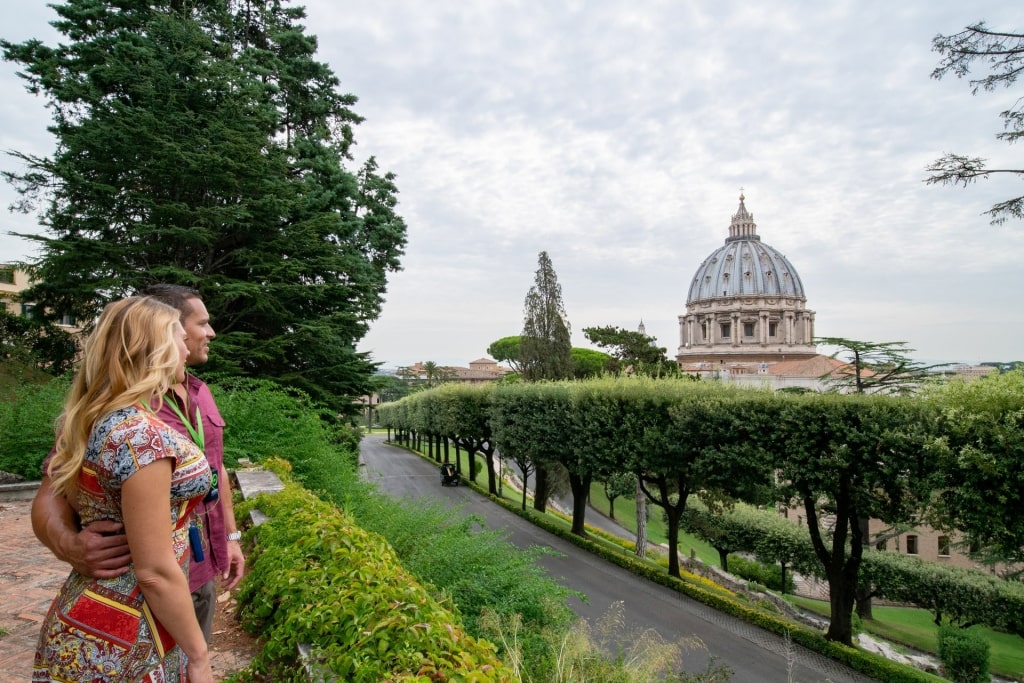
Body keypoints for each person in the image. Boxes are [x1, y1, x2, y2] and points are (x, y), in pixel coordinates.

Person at [31, 284, 245, 644]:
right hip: (144, 591)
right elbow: (53, 490)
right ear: (163, 330)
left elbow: (216, 469)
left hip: (200, 566)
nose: (211, 333)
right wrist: (68, 545)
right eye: (200, 324)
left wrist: (231, 538)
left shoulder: (199, 391)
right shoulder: (127, 420)